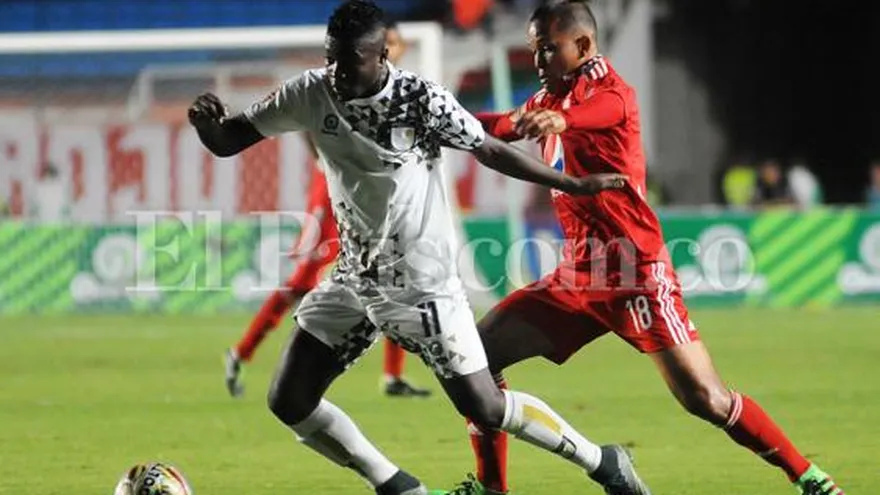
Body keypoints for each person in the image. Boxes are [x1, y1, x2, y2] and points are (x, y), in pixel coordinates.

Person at [188, 2, 643, 495]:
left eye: (351, 60)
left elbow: (488, 149)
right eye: (331, 57)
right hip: (354, 278)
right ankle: (397, 486)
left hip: (422, 284)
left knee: (485, 406)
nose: (338, 72)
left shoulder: (420, 99)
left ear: (382, 54)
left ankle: (604, 463)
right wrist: (208, 128)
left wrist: (570, 184)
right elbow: (230, 139)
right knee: (289, 399)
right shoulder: (311, 91)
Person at [450, 2, 846, 495]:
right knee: (473, 361)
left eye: (548, 48)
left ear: (584, 46)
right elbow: (504, 124)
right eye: (535, 50)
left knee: (707, 399)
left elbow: (589, 116)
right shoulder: (554, 95)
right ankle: (493, 490)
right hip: (580, 276)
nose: (539, 60)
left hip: (636, 273)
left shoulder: (611, 94)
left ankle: (809, 477)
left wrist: (558, 122)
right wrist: (440, 114)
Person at [224, 20, 432, 399]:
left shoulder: (397, 87)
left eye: (399, 43)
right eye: (393, 42)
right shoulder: (347, 78)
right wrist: (323, 161)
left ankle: (392, 376)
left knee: (394, 272)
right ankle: (241, 352)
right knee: (304, 280)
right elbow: (309, 114)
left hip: (372, 197)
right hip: (335, 192)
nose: (399, 48)